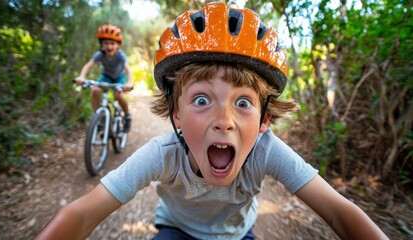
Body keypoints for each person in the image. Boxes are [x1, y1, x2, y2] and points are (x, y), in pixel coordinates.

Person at [37, 2, 388, 239]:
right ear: (176, 114)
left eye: (244, 103)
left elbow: (341, 215)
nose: (225, 121)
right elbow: (82, 215)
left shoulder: (266, 151)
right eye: (202, 100)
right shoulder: (163, 153)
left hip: (238, 233)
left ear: (265, 119)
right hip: (176, 228)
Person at [75, 24, 133, 132]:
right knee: (95, 90)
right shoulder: (100, 54)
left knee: (118, 96)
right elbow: (88, 66)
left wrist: (129, 83)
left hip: (119, 77)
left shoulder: (120, 55)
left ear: (118, 45)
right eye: (106, 43)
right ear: (101, 44)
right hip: (106, 76)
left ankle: (127, 116)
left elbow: (128, 69)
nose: (109, 46)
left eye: (112, 43)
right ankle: (97, 118)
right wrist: (82, 77)